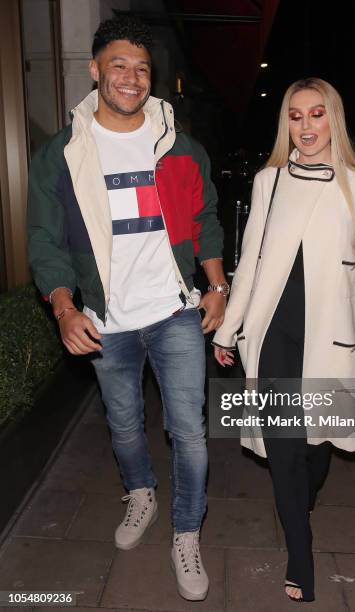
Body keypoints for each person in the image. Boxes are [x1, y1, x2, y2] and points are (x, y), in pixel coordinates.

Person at [212, 78, 355, 602]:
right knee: (284, 448)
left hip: (328, 340)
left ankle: (303, 496)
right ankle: (300, 552)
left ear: (331, 118)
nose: (306, 126)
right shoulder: (268, 181)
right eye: (295, 116)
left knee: (316, 451)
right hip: (271, 335)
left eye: (316, 115)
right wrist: (229, 328)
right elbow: (250, 264)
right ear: (285, 123)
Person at [27, 17, 229, 602]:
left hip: (173, 312)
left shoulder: (179, 145)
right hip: (106, 320)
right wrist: (64, 308)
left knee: (189, 431)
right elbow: (45, 238)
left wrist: (215, 286)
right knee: (123, 427)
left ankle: (186, 533)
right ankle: (140, 492)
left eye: (141, 68)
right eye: (118, 64)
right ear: (95, 70)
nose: (131, 77)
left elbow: (204, 218)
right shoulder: (60, 155)